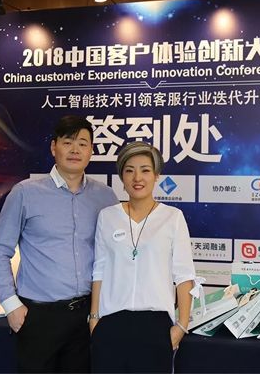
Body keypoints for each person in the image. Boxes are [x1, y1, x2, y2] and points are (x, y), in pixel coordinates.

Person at [0, 115, 118, 373]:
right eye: (68, 142)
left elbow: (116, 254)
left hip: (87, 315)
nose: (75, 150)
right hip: (38, 317)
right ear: (53, 147)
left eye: (82, 143)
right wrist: (11, 306)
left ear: (91, 151)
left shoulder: (105, 197)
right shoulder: (25, 193)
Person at [90, 141, 196, 373]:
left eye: (145, 170)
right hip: (111, 324)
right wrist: (94, 319)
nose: (137, 177)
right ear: (122, 177)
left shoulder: (173, 217)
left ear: (156, 175)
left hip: (156, 325)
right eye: (129, 170)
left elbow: (184, 275)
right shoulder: (107, 216)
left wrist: (181, 325)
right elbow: (100, 269)